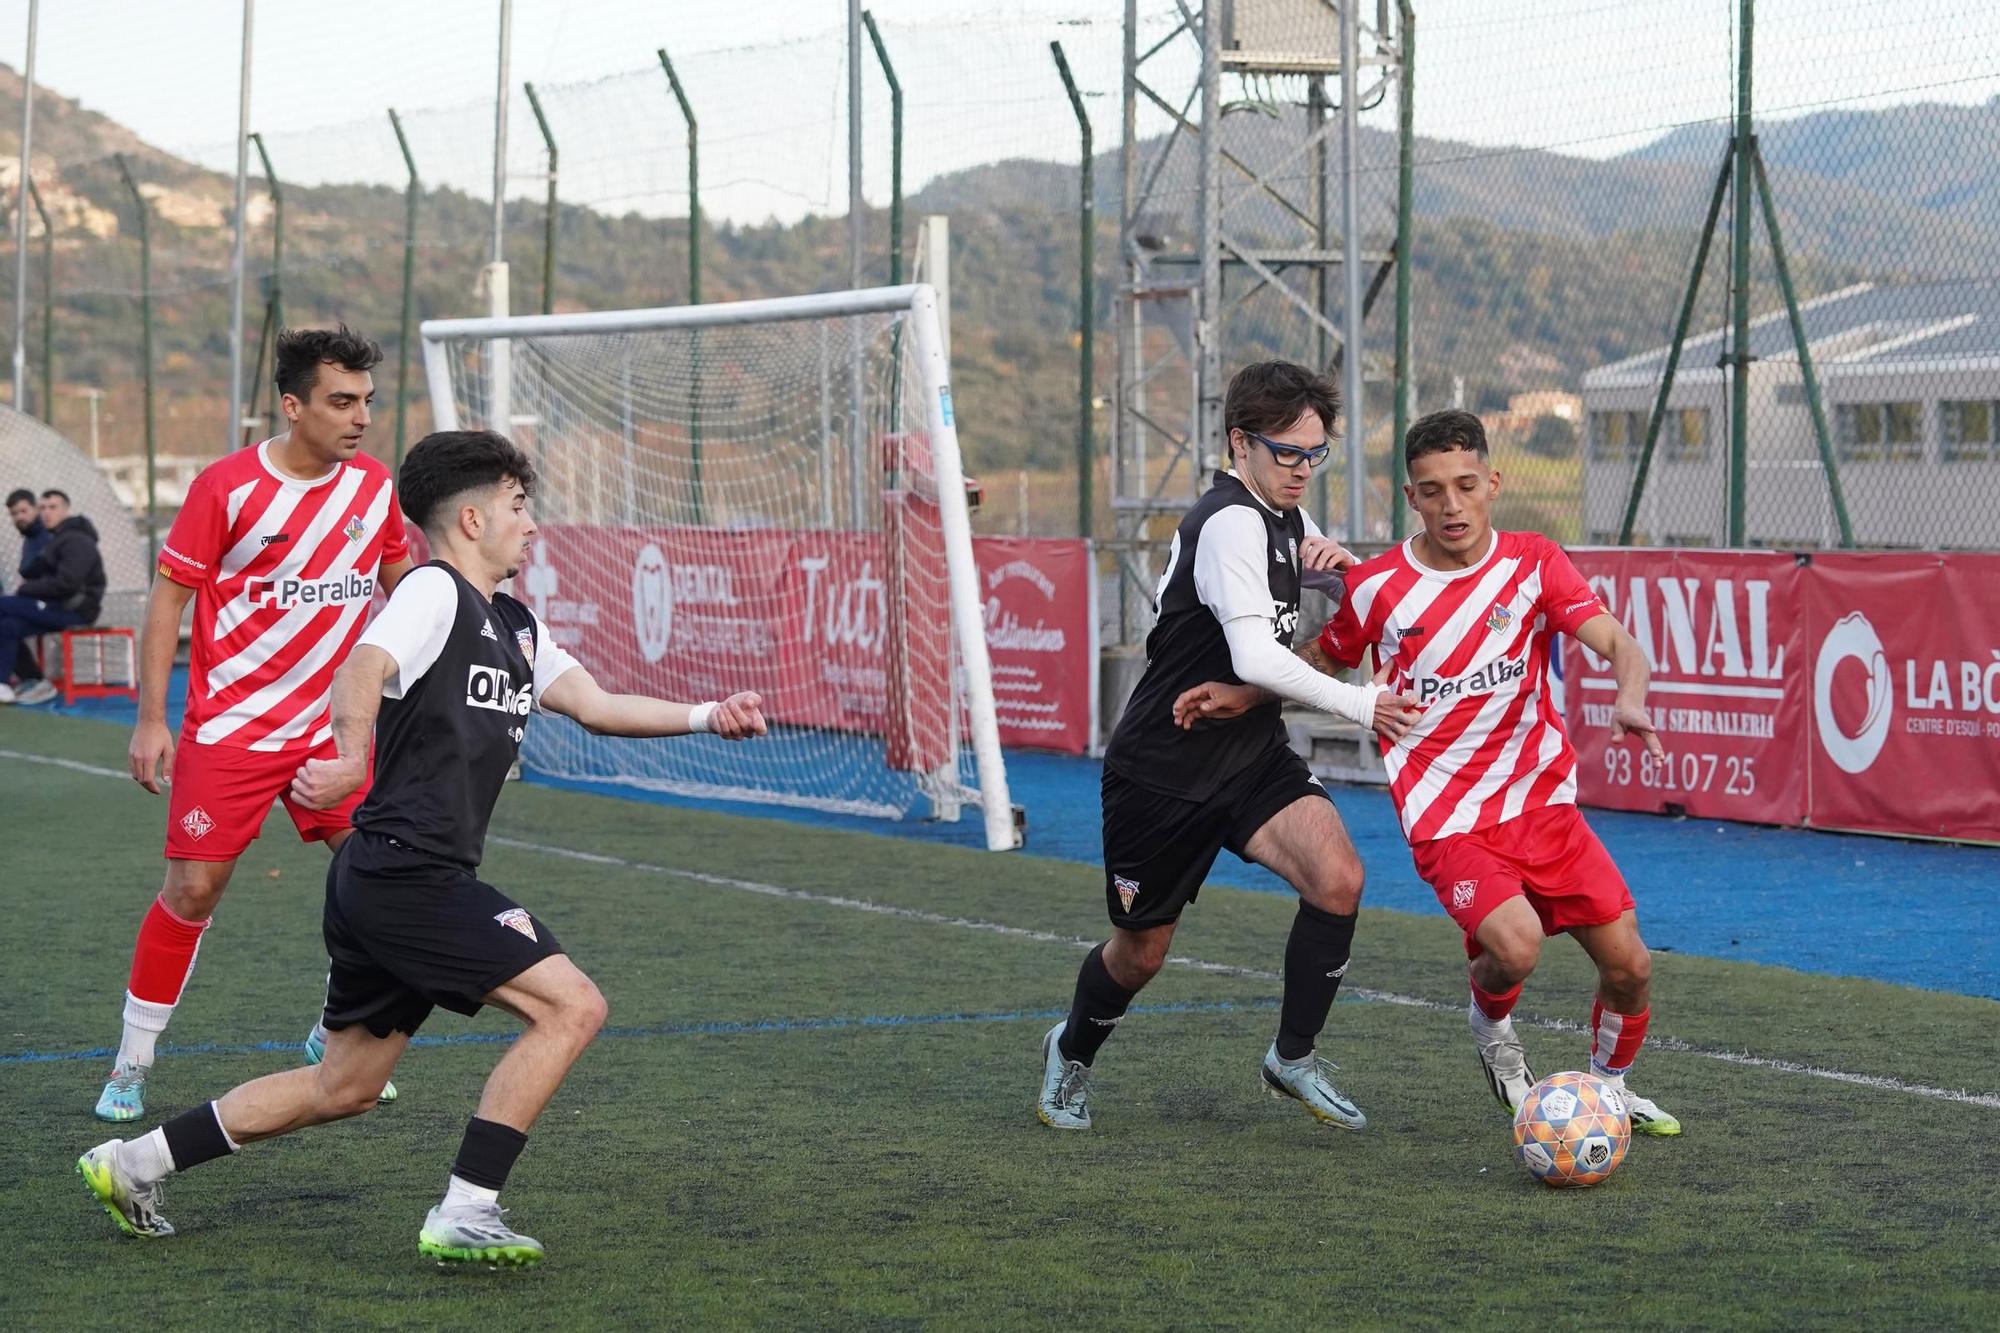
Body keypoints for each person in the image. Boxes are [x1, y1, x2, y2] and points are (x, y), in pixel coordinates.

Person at [79, 428, 768, 1267]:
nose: (532, 524)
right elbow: (363, 665)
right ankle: (468, 1208)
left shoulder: (514, 623)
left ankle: (131, 1162)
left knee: (345, 1086)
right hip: (408, 872)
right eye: (519, 506)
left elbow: (594, 703)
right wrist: (347, 754)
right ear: (471, 518)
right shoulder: (433, 593)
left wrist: (708, 714)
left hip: (392, 877)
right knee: (572, 1006)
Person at [1174, 408, 1681, 1135]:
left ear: (1492, 483)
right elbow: (1323, 659)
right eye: (1433, 489)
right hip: (1449, 817)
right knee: (1516, 947)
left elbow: (1619, 643)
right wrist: (1246, 691)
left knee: (1630, 967)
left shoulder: (1534, 561)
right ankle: (1492, 1032)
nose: (1452, 504)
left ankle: (1608, 1091)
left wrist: (1630, 698)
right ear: (1411, 496)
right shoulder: (1380, 586)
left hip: (1544, 804)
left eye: (1466, 485)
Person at [1036, 360, 1421, 1134]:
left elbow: (1322, 567)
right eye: (1289, 453)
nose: (1304, 470)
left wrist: (1342, 566)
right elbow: (1253, 658)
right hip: (1164, 769)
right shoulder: (1230, 521)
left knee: (1339, 876)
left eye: (1318, 454)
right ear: (1240, 443)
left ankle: (1293, 1057)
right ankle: (1071, 1051)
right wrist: (1361, 703)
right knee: (1140, 955)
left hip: (1248, 754)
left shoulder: (1280, 511)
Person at [93, 326, 416, 1123]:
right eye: (342, 401)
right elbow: (171, 598)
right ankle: (132, 1061)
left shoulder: (374, 487)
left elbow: (404, 587)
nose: (360, 417)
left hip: (334, 733)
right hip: (230, 728)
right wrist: (150, 719)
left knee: (387, 879)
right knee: (194, 888)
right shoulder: (227, 488)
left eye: (368, 401)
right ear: (293, 404)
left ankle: (333, 1033)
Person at [0, 489, 107, 705]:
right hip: (59, 607)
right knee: (8, 626)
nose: (46, 513)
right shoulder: (57, 539)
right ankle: (33, 681)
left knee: (4, 605)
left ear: (66, 509)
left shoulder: (76, 540)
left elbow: (67, 583)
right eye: (43, 508)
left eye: (53, 507)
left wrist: (27, 590)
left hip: (74, 611)